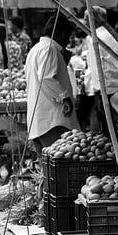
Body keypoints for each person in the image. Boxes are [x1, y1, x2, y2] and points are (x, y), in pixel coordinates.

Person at [26, 15, 80, 162]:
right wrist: (65, 98)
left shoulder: (36, 49)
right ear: (60, 33)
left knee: (48, 167)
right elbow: (46, 77)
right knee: (59, 164)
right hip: (51, 120)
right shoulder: (49, 49)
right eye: (68, 36)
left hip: (41, 119)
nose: (68, 41)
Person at [84, 6, 118, 131]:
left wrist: (98, 91)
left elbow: (97, 67)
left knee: (109, 127)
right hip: (115, 83)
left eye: (86, 19)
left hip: (106, 87)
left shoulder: (94, 38)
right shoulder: (112, 35)